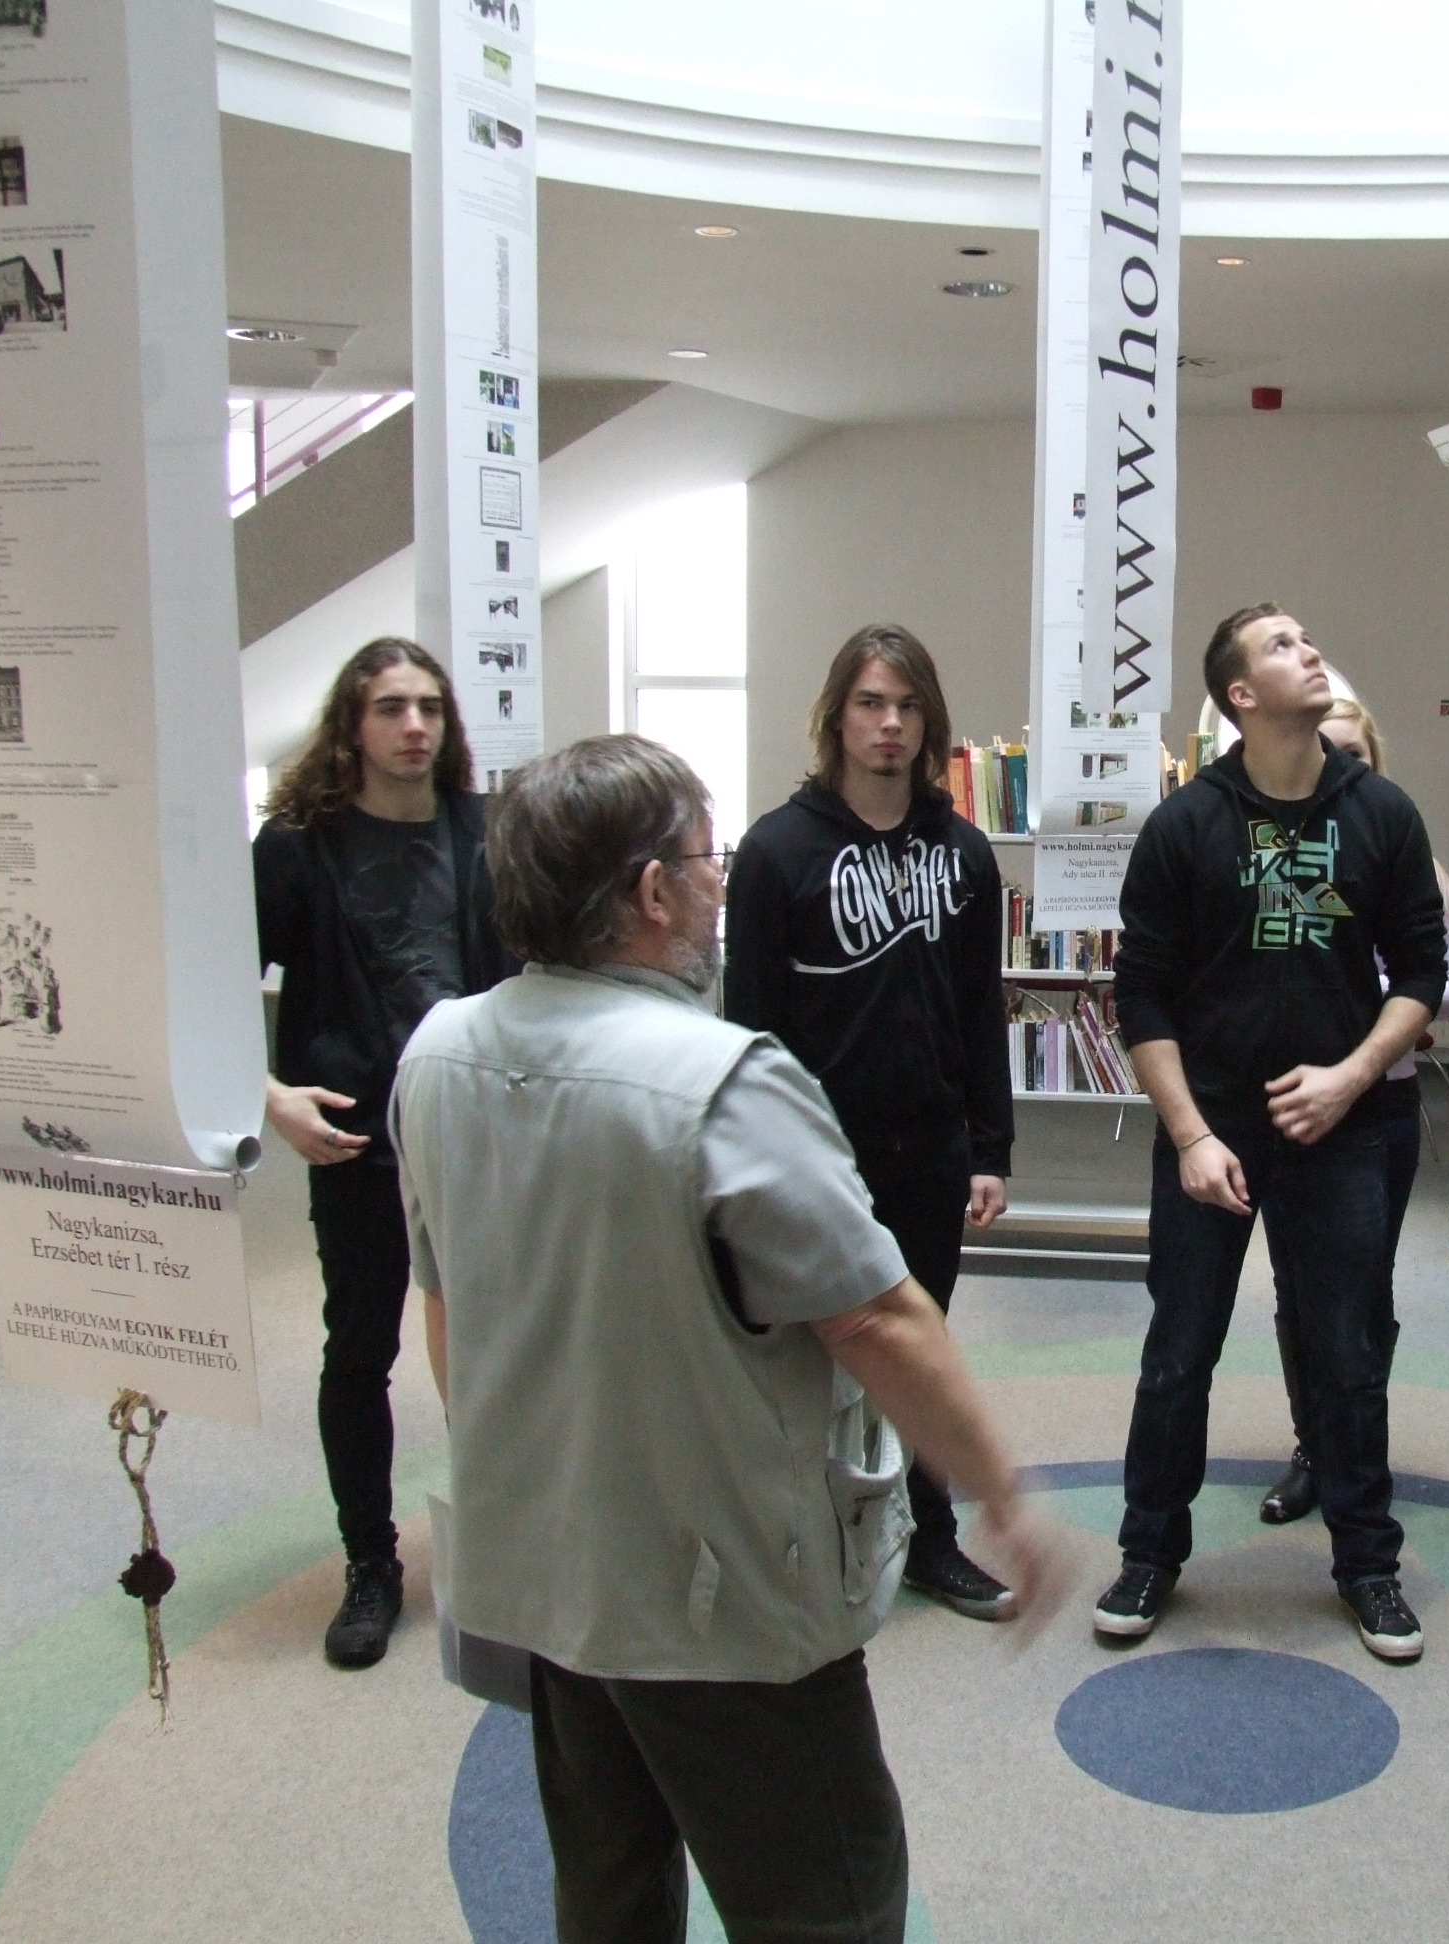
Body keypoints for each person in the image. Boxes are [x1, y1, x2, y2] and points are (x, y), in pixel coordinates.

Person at [394, 735, 1064, 1944]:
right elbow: (875, 1314)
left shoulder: (437, 1052)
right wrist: (1002, 1493)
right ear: (654, 892)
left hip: (545, 1571)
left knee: (608, 1889)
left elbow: (448, 1313)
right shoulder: (726, 1081)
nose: (722, 883)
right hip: (723, 1600)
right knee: (826, 1904)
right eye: (711, 860)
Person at [1098, 605, 1449, 1660]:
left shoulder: (1381, 812)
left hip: (1339, 1129)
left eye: (1309, 637)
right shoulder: (1184, 826)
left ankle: (1369, 1566)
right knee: (1179, 1353)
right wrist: (1192, 1136)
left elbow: (1423, 973)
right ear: (1241, 696)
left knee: (1347, 1356)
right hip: (1211, 1132)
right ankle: (1149, 1553)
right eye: (1283, 645)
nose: (1312, 649)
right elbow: (1141, 996)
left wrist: (1351, 1078)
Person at [724, 623, 1019, 1622]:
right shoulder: (776, 852)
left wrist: (990, 1147)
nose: (890, 723)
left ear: (929, 723)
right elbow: (750, 1028)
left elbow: (982, 1010)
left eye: (908, 705)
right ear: (837, 717)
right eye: (870, 703)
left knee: (917, 1351)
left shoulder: (965, 854)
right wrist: (760, 1161)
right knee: (806, 1358)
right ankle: (801, 1540)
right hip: (816, 1160)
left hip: (930, 1152)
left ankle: (930, 1540)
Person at [253, 637, 514, 1669]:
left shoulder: (484, 832)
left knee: (499, 1349)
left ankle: (508, 1543)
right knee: (361, 1351)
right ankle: (371, 1563)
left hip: (476, 1135)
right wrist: (269, 1095)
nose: (414, 727)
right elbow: (212, 982)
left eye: (430, 709)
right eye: (391, 708)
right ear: (351, 727)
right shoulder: (296, 846)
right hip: (354, 1138)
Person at [1259, 694, 1449, 1526]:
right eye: (1327, 751)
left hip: (1381, 1109)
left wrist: (1367, 1000)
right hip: (1294, 1105)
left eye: (1355, 754)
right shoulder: (1287, 861)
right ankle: (1312, 1449)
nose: (1340, 767)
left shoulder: (1416, 866)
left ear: (1375, 765)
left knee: (1362, 1292)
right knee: (1293, 1287)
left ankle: (1356, 1456)